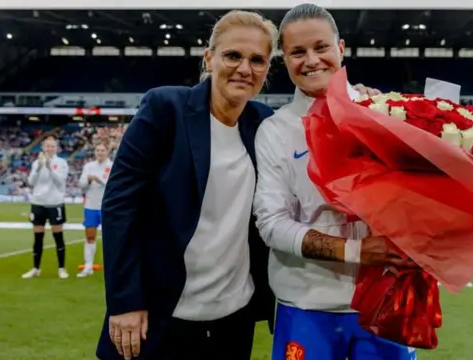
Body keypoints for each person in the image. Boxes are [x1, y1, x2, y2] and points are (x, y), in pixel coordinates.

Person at [95, 10, 279, 360]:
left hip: (234, 317)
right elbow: (119, 205)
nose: (244, 68)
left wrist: (358, 98)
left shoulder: (265, 124)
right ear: (209, 58)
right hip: (161, 314)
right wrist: (125, 301)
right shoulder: (165, 108)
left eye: (257, 60)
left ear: (267, 69)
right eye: (233, 55)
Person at [253, 4, 418, 360]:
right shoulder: (276, 130)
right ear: (285, 58)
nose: (311, 60)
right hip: (307, 304)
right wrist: (357, 251)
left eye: (321, 47)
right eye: (298, 52)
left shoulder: (384, 112)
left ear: (340, 49)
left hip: (385, 300)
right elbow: (271, 223)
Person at [21, 136, 70, 279]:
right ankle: (36, 268)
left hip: (55, 202)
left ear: (56, 148)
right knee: (38, 237)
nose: (50, 149)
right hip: (38, 202)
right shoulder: (37, 163)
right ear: (42, 148)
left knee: (58, 236)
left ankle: (61, 268)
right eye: (47, 146)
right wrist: (40, 168)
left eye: (52, 146)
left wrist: (49, 167)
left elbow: (60, 181)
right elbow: (31, 181)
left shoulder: (61, 163)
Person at [76, 143, 112, 278]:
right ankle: (88, 266)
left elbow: (113, 184)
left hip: (107, 206)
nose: (100, 152)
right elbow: (81, 184)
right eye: (98, 150)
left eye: (102, 150)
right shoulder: (88, 166)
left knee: (110, 238)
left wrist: (100, 180)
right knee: (90, 236)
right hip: (90, 205)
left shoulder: (112, 166)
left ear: (107, 152)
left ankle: (112, 267)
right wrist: (89, 181)